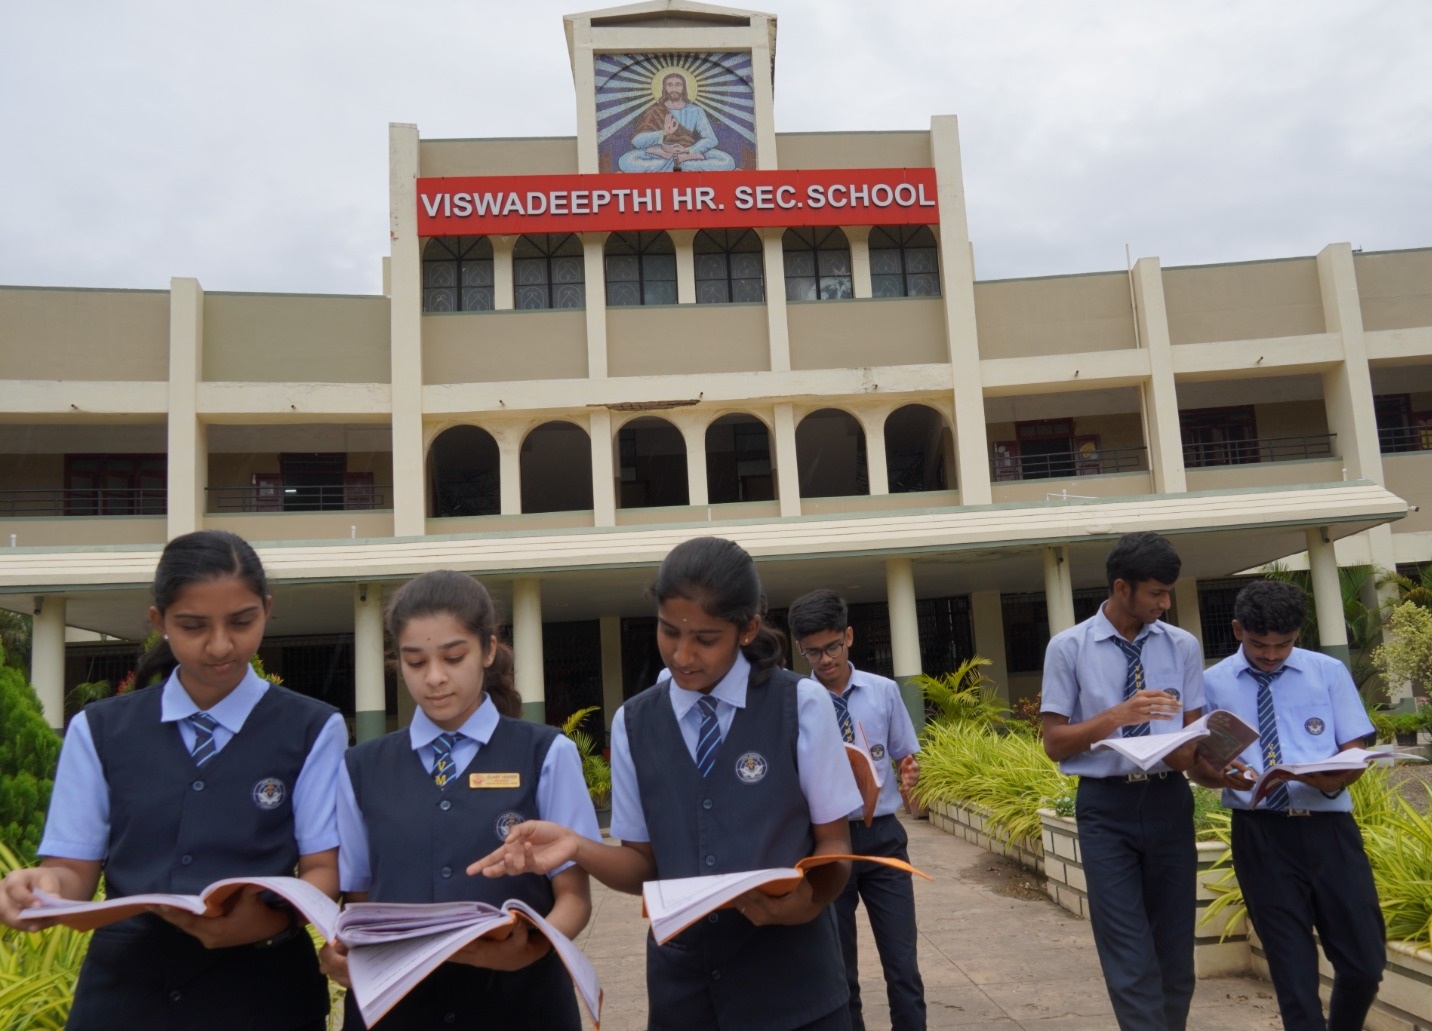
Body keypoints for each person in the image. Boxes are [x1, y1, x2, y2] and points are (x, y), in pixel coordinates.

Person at [470, 535, 862, 1031]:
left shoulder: (801, 704)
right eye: (668, 631)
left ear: (748, 630)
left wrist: (809, 901)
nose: (681, 654)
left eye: (704, 638)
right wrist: (576, 845)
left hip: (795, 990)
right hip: (686, 996)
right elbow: (643, 866)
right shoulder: (635, 723)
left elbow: (834, 846)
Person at [0, 529, 346, 1031]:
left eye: (242, 621)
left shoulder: (313, 728)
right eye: (193, 626)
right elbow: (72, 870)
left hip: (263, 993)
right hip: (125, 995)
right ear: (159, 622)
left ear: (267, 610)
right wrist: (42, 889)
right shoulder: (100, 729)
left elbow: (323, 870)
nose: (221, 645)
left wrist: (269, 921)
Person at [321, 570, 599, 1030]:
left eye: (453, 657)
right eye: (415, 662)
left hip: (520, 1006)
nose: (434, 678)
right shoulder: (359, 768)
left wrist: (534, 948)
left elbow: (574, 899)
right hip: (396, 1010)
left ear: (488, 650)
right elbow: (359, 900)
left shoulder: (547, 754)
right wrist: (342, 949)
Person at [1191, 579, 1384, 1031]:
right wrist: (1219, 774)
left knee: (1364, 964)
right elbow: (1200, 768)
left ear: (1299, 634)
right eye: (1260, 644)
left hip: (1329, 830)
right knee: (1294, 976)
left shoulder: (1327, 672)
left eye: (1285, 644)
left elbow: (1355, 750)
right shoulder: (1212, 684)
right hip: (1261, 836)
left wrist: (1327, 775)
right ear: (1238, 630)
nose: (1272, 654)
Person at [1039, 531, 1206, 1031]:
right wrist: (1117, 715)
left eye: (1168, 592)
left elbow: (1190, 744)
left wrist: (1211, 751)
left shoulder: (1183, 646)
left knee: (1175, 952)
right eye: (1155, 592)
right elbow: (1054, 742)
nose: (1165, 602)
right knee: (1127, 949)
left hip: (1169, 801)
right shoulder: (1068, 648)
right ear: (1121, 587)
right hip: (1104, 808)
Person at [786, 588, 926, 1031]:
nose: (825, 660)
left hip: (883, 836)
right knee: (838, 969)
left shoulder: (883, 691)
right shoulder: (794, 701)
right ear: (799, 648)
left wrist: (909, 774)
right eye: (813, 652)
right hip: (829, 844)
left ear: (848, 636)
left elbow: (907, 755)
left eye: (833, 647)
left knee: (902, 964)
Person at [618, 71, 737, 172]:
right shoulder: (655, 110)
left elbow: (711, 139)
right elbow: (637, 142)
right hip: (661, 152)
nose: (674, 88)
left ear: (684, 88)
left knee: (727, 161)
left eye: (678, 85)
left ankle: (676, 163)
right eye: (670, 85)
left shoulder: (695, 110)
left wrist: (688, 150)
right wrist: (663, 133)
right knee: (626, 161)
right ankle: (678, 163)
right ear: (664, 88)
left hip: (688, 152)